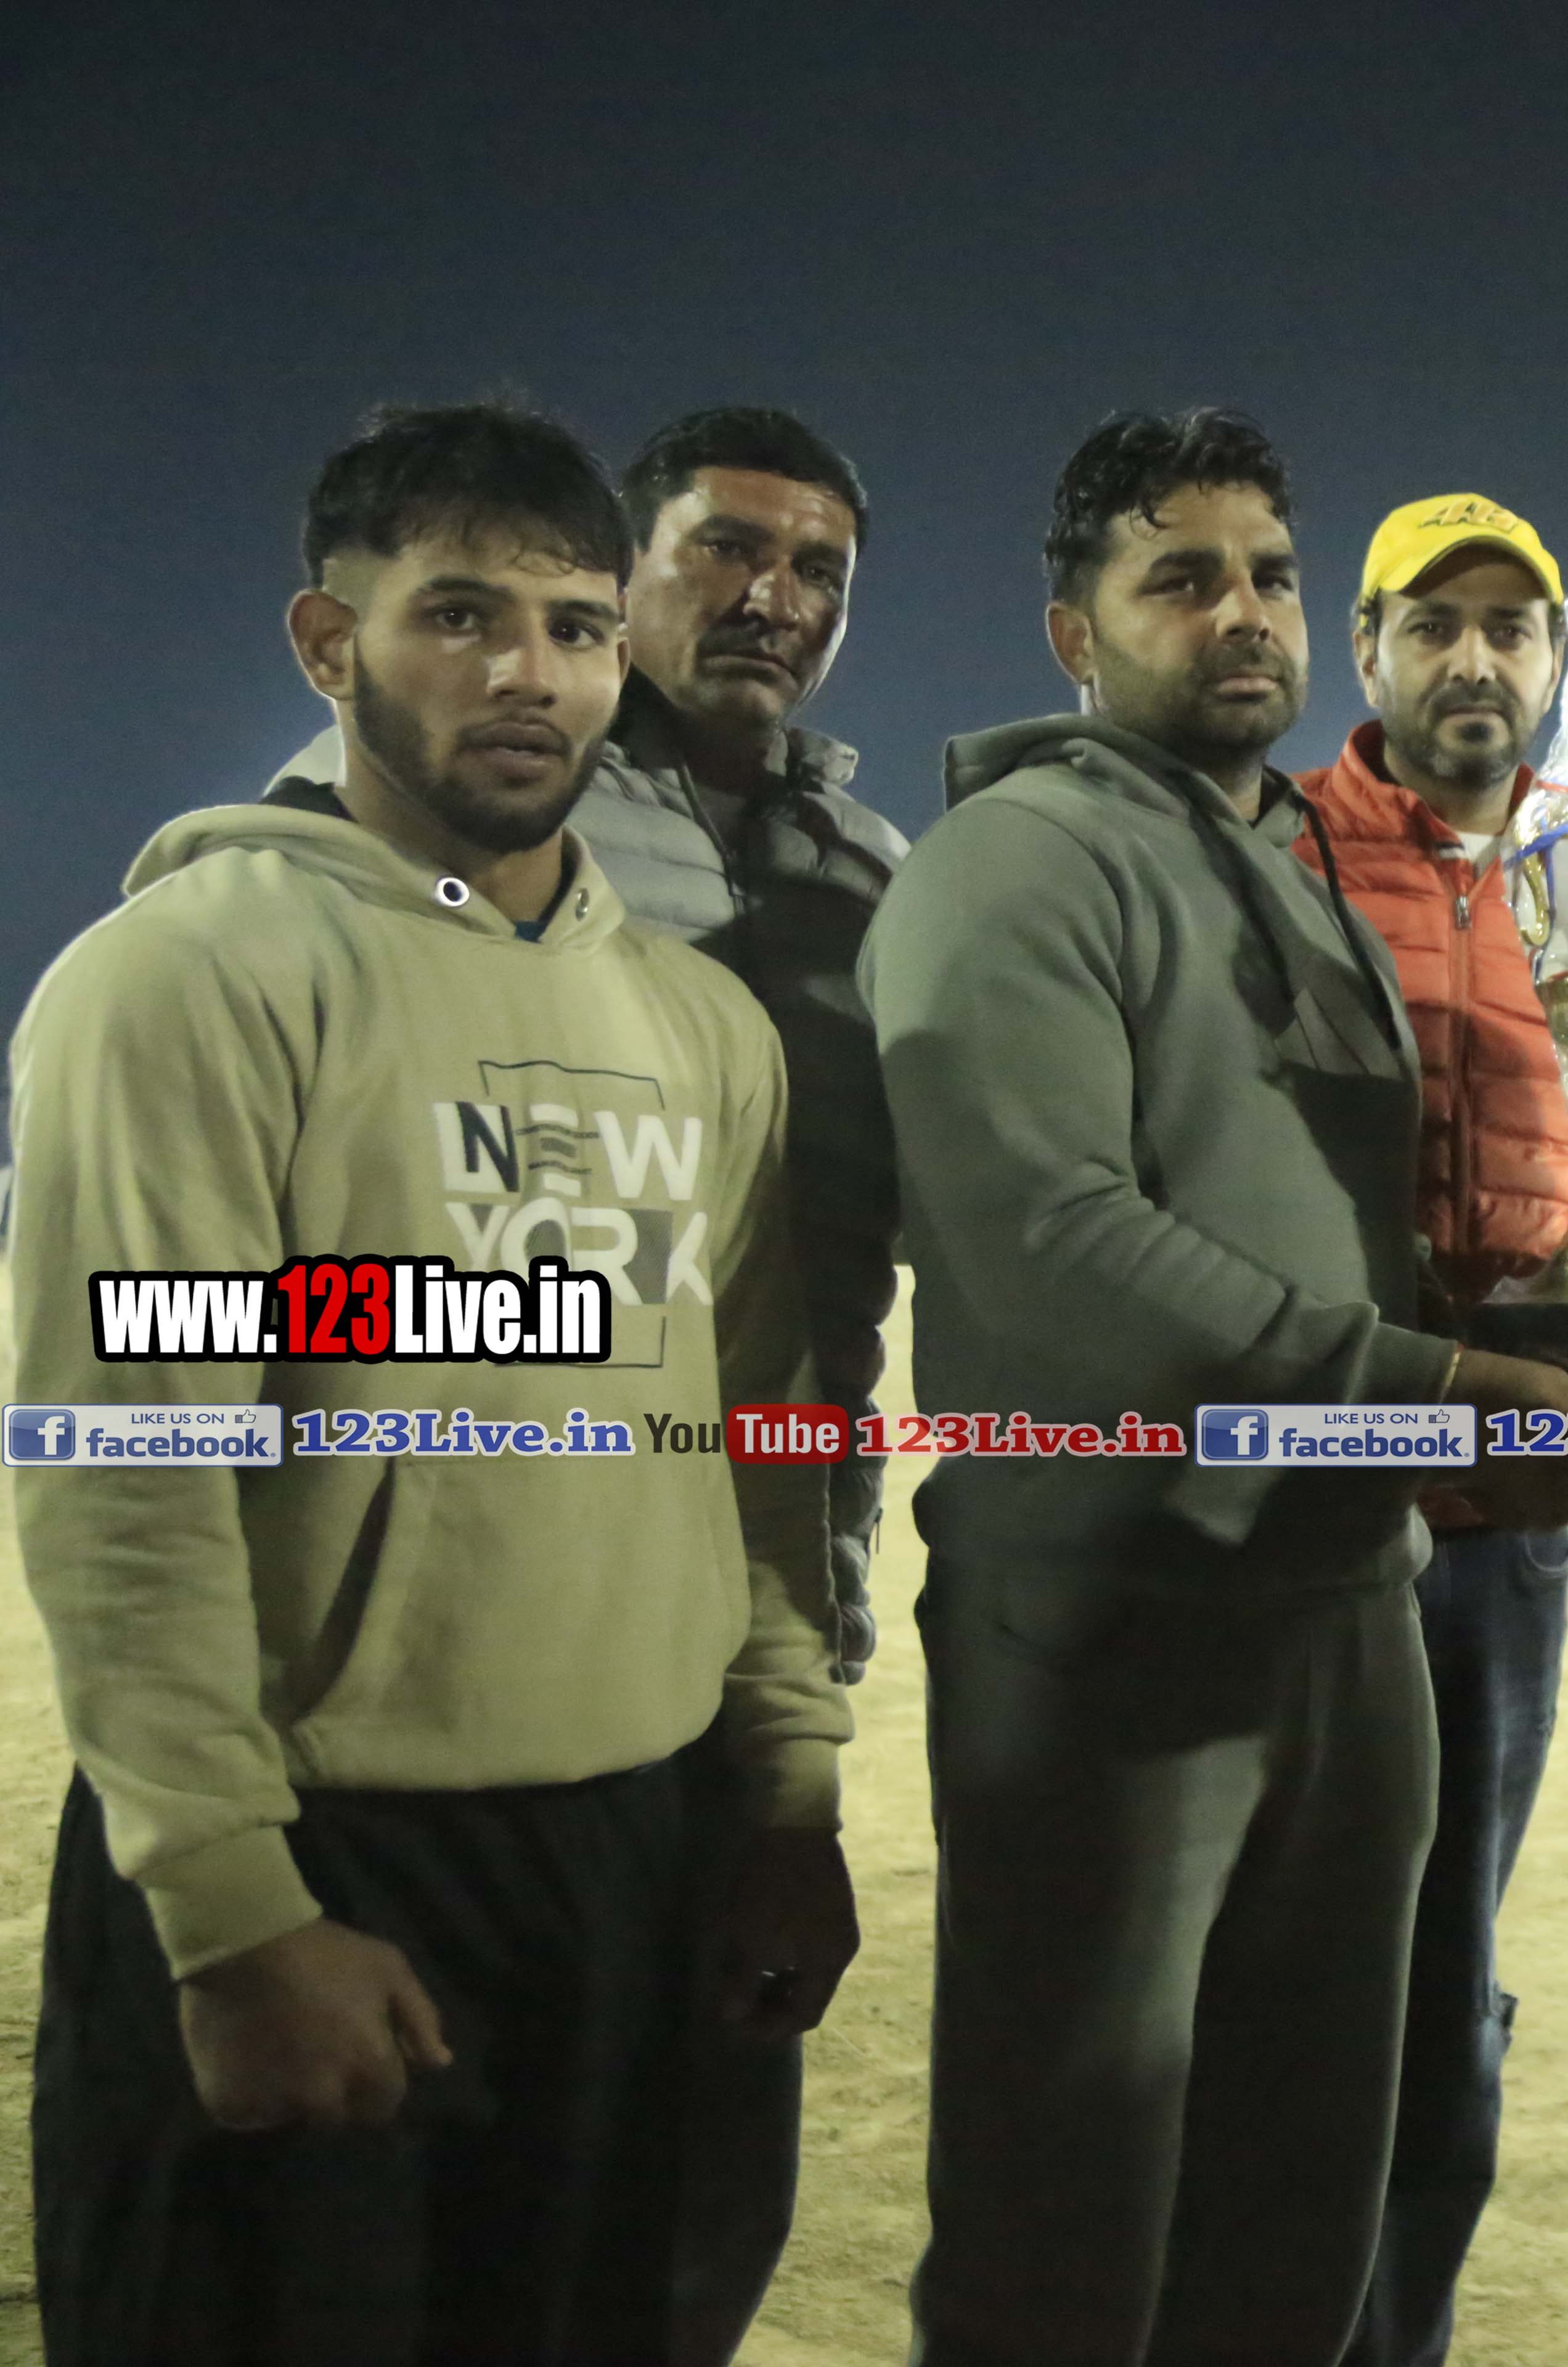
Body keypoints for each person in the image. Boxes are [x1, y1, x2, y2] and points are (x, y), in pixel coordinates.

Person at [8, 401, 855, 2364]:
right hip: (323, 1858)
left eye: (574, 626)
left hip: (630, 1859)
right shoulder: (187, 980)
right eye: (460, 615)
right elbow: (124, 1468)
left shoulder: (702, 1026)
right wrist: (230, 1915)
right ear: (332, 643)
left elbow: (751, 1440)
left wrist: (784, 1800)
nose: (527, 674)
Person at [862, 408, 1568, 2367]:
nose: (1243, 615)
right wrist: (1430, 1389)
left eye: (1271, 575)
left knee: (1297, 2231)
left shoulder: (1295, 869)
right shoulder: (1011, 865)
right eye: (1181, 579)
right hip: (1115, 1636)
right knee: (1067, 2230)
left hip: (1345, 1615)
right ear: (1074, 633)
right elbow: (1057, 1247)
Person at [270, 401, 905, 2364]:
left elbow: (826, 1290)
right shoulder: (430, 834)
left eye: (817, 569)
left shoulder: (869, 865)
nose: (773, 597)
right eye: (727, 549)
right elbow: (230, 1311)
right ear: (627, 577)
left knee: (685, 2213)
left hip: (762, 1589)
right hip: (443, 1670)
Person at [1294, 493, 1568, 2367]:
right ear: (1367, 650)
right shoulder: (1276, 850)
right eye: (1434, 622)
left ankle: (1402, 2341)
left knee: (1446, 1983)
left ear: (1551, 663)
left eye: (1510, 628)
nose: (1475, 659)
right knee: (1276, 1969)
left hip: (1496, 1544)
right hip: (1291, 1514)